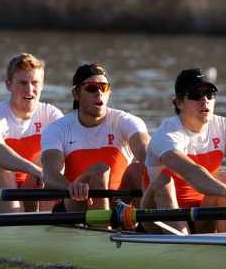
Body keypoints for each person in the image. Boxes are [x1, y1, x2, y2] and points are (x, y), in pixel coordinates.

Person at [139, 68, 226, 234]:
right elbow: (190, 171)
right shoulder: (167, 133)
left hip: (200, 214)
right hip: (159, 217)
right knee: (163, 182)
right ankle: (184, 245)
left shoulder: (224, 126)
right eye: (196, 96)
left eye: (209, 94)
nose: (205, 101)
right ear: (179, 103)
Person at [40, 62, 149, 211]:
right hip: (77, 203)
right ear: (76, 94)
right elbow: (50, 175)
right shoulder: (58, 129)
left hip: (117, 203)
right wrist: (72, 188)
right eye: (91, 88)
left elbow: (147, 153)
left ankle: (142, 229)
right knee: (100, 171)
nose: (99, 93)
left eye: (104, 87)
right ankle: (105, 230)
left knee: (138, 168)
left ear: (109, 92)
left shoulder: (126, 121)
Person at [0, 53, 63, 212]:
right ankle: (17, 224)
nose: (29, 89)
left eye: (35, 82)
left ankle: (47, 221)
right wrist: (32, 169)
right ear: (9, 85)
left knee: (47, 161)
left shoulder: (51, 114)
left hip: (28, 196)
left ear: (42, 84)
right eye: (22, 83)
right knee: (1, 165)